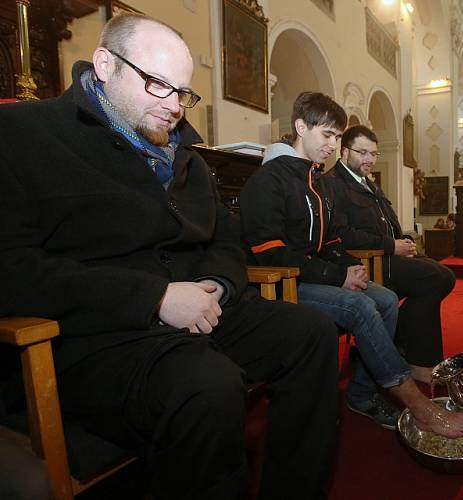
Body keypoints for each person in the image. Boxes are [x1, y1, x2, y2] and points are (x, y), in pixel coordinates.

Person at [0, 14, 339, 500]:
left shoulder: (187, 156)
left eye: (183, 92)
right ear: (104, 65)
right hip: (97, 335)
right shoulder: (21, 134)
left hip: (199, 311)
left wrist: (218, 285)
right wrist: (154, 297)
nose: (175, 106)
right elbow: (12, 269)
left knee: (311, 333)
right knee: (208, 386)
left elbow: (227, 240)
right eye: (158, 85)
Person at [239, 92, 463, 437]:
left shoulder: (318, 182)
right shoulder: (269, 180)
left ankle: (362, 394)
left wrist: (352, 267)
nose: (333, 146)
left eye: (338, 137)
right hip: (281, 284)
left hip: (314, 275)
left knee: (384, 299)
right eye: (327, 136)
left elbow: (333, 239)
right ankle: (417, 404)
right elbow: (270, 251)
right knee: (362, 306)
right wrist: (338, 276)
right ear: (300, 127)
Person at [325, 125, 456, 384]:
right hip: (369, 263)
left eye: (373, 153)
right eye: (362, 152)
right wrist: (390, 246)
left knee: (444, 276)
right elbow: (343, 235)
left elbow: (390, 223)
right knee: (434, 277)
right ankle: (417, 360)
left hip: (389, 255)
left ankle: (401, 347)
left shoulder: (370, 185)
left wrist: (404, 242)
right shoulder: (333, 183)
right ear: (343, 152)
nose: (369, 159)